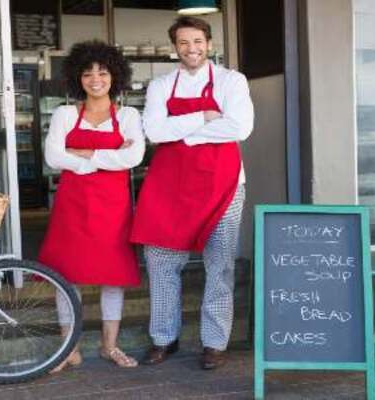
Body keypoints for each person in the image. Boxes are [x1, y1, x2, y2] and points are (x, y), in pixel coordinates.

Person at [131, 16, 254, 370]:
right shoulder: (160, 85)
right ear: (175, 48)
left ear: (209, 44)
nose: (191, 49)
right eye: (184, 43)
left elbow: (240, 127)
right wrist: (204, 116)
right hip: (171, 185)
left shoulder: (231, 80)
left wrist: (180, 133)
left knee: (220, 266)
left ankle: (214, 343)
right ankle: (163, 339)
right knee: (161, 263)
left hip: (224, 185)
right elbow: (154, 131)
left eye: (197, 41)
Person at [38, 40, 145, 371]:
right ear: (77, 78)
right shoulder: (65, 113)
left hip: (112, 207)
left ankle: (108, 346)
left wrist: (84, 154)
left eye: (102, 71)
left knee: (112, 275)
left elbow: (135, 156)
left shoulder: (128, 115)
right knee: (66, 275)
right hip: (73, 204)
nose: (95, 78)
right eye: (87, 73)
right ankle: (68, 349)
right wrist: (104, 159)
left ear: (115, 75)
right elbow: (53, 156)